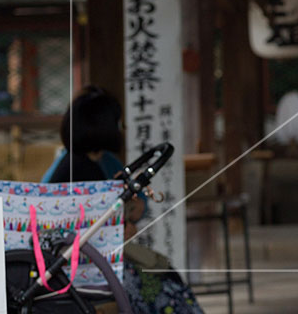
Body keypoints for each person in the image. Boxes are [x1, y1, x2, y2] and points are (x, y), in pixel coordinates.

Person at [46, 86, 203, 314]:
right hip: (86, 266)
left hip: (90, 259)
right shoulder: (81, 167)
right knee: (159, 282)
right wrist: (122, 225)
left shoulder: (84, 162)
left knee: (161, 274)